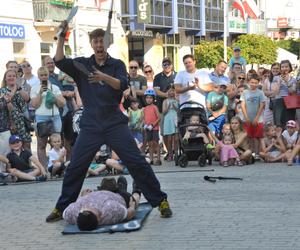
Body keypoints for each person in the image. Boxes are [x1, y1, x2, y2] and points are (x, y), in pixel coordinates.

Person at [46, 25, 172, 222]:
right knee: (76, 166)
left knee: (137, 162)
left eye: (102, 41)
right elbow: (60, 60)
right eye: (95, 41)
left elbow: (122, 85)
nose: (99, 45)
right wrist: (61, 36)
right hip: (91, 124)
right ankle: (61, 207)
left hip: (114, 121)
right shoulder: (82, 64)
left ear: (107, 43)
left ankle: (160, 201)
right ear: (92, 44)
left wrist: (102, 76)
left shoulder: (117, 64)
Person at [63, 178, 141, 231]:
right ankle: (135, 190)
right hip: (118, 197)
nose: (90, 206)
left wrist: (83, 196)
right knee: (133, 199)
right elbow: (130, 213)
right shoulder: (110, 211)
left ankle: (119, 187)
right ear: (99, 219)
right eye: (94, 211)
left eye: (86, 208)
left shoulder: (71, 213)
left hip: (97, 193)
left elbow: (70, 209)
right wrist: (132, 206)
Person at [30, 67, 66, 167]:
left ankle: (57, 167)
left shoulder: (55, 87)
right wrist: (40, 93)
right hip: (41, 117)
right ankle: (45, 169)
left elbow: (62, 103)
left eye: (45, 75)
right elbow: (34, 105)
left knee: (57, 144)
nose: (43, 77)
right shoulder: (34, 88)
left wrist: (54, 97)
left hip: (55, 117)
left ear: (48, 75)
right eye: (41, 75)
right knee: (42, 144)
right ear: (38, 76)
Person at [1, 69, 31, 150]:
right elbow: (10, 97)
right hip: (11, 121)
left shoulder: (20, 88)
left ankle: (27, 162)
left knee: (26, 144)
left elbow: (27, 99)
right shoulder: (3, 90)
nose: (12, 77)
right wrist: (15, 88)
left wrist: (19, 88)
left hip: (23, 121)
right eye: (9, 76)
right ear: (5, 78)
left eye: (14, 76)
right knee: (14, 145)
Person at [241, 74, 266, 155]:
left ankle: (257, 153)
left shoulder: (260, 93)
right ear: (248, 82)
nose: (253, 84)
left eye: (256, 83)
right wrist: (246, 117)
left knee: (257, 137)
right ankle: (250, 152)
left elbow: (262, 105)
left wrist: (257, 118)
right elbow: (242, 105)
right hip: (247, 118)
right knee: (249, 136)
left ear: (258, 83)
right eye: (252, 82)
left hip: (258, 119)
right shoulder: (245, 92)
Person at [272, 60, 297, 128]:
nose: (284, 68)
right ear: (280, 68)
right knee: (278, 124)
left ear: (289, 68)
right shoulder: (276, 78)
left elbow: (292, 91)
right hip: (279, 101)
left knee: (289, 124)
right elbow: (275, 92)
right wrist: (279, 81)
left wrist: (287, 82)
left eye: (286, 66)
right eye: (282, 67)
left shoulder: (293, 79)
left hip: (290, 102)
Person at [143, 89, 161, 165]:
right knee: (149, 144)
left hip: (154, 128)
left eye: (150, 98)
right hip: (148, 129)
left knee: (155, 143)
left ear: (153, 99)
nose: (149, 99)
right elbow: (144, 118)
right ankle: (151, 159)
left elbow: (159, 117)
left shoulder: (155, 107)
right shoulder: (145, 108)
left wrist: (153, 125)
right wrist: (144, 125)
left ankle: (158, 159)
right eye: (147, 98)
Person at [162, 85, 179, 161]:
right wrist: (168, 107)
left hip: (175, 119)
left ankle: (176, 153)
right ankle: (170, 154)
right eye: (170, 91)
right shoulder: (165, 101)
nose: (171, 92)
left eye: (173, 90)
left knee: (176, 138)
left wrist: (175, 107)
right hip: (168, 120)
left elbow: (179, 111)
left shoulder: (177, 100)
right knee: (169, 139)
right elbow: (163, 112)